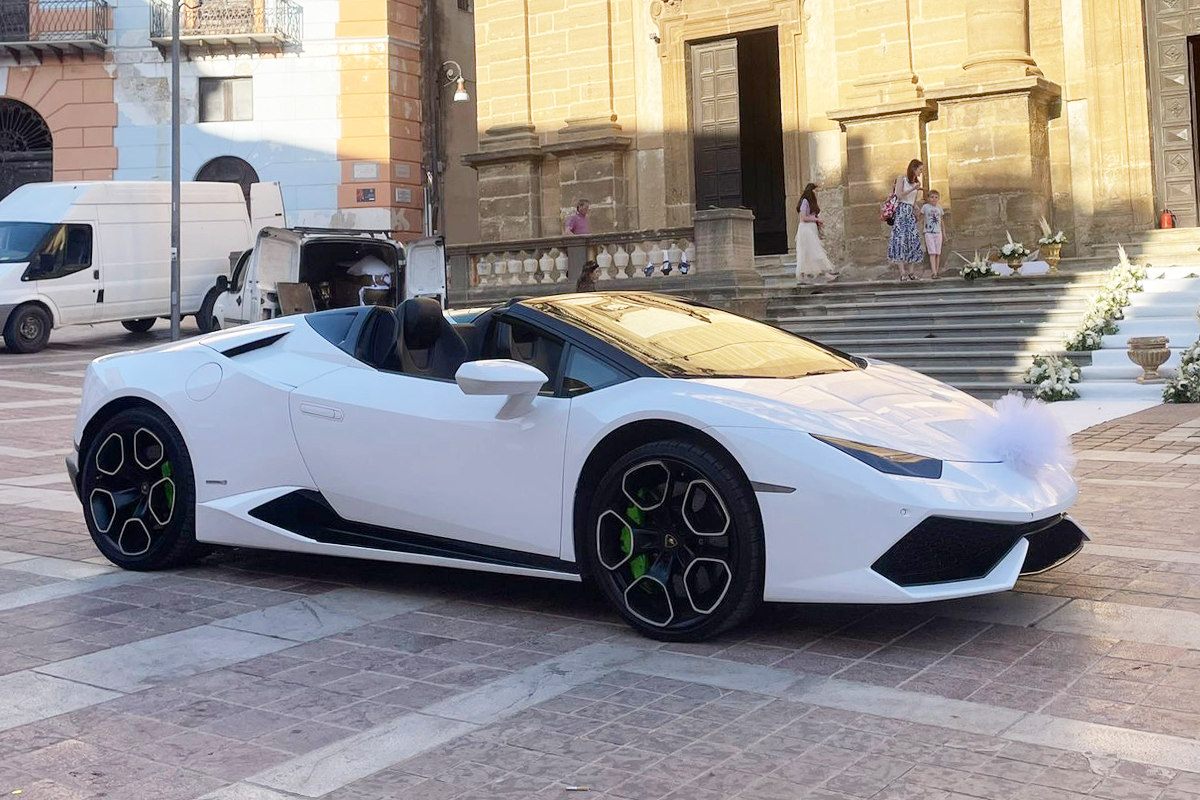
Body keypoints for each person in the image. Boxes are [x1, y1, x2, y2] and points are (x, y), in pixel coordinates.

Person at [888, 159, 925, 281]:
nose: (921, 172)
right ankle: (902, 272)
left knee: (913, 240)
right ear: (914, 169)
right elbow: (899, 195)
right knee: (900, 240)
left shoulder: (916, 182)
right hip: (901, 211)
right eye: (920, 169)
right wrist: (913, 189)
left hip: (909, 212)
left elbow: (912, 200)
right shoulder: (901, 178)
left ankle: (911, 272)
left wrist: (916, 208)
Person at [795, 182, 835, 284]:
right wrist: (816, 220)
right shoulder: (805, 202)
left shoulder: (811, 203)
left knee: (811, 251)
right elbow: (803, 217)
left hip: (811, 229)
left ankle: (805, 275)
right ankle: (824, 272)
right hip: (806, 230)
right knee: (813, 250)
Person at [919, 189, 946, 279]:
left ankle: (937, 271)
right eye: (932, 197)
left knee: (938, 253)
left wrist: (944, 233)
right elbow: (921, 218)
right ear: (928, 198)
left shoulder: (939, 208)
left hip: (938, 232)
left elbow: (941, 221)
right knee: (932, 252)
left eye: (936, 197)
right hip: (929, 232)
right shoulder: (926, 207)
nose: (934, 199)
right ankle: (933, 272)